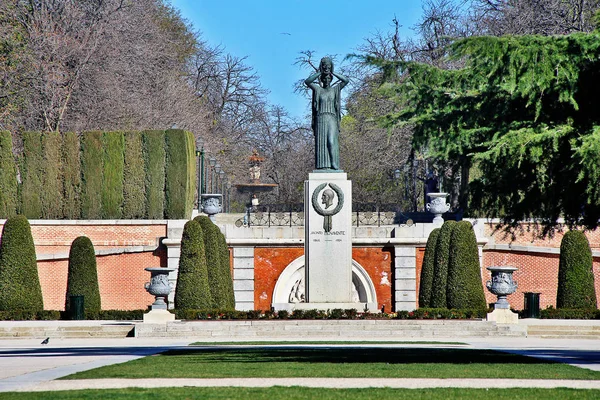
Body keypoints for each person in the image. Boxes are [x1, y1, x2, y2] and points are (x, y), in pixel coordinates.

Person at [305, 57, 349, 170]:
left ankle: (334, 163)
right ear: (322, 80)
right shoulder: (318, 89)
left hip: (332, 118)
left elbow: (345, 80)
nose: (327, 80)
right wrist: (321, 71)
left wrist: (332, 71)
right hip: (320, 118)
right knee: (322, 144)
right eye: (325, 78)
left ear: (331, 79)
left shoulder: (335, 89)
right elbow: (308, 81)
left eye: (329, 78)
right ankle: (323, 166)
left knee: (331, 140)